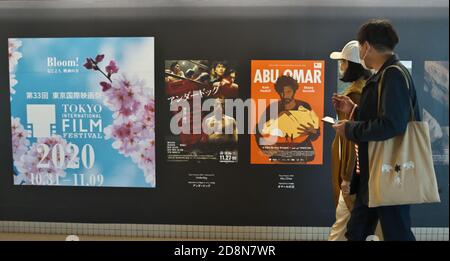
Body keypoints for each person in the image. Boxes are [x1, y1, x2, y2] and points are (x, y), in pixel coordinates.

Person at [332, 19, 419, 241]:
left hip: (389, 172)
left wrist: (351, 129)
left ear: (367, 46)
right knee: (356, 232)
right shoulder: (384, 75)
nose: (360, 51)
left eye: (360, 46)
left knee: (396, 233)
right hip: (373, 174)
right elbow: (382, 117)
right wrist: (354, 110)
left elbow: (391, 124)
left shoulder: (393, 75)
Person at [328, 40, 372, 241]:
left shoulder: (358, 94)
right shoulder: (359, 91)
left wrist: (348, 177)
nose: (341, 66)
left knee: (342, 227)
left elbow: (358, 140)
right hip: (356, 172)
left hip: (354, 173)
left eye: (344, 62)